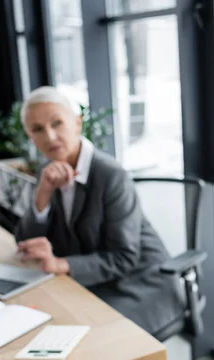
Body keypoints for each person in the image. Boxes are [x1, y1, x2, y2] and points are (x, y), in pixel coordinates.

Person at [15, 86, 185, 337]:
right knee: (39, 322)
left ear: (77, 123)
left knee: (80, 339)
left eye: (57, 123)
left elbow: (124, 258)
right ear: (31, 137)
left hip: (139, 284)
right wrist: (42, 196)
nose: (50, 137)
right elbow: (25, 243)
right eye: (38, 129)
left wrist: (60, 263)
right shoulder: (46, 172)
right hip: (92, 281)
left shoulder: (110, 174)